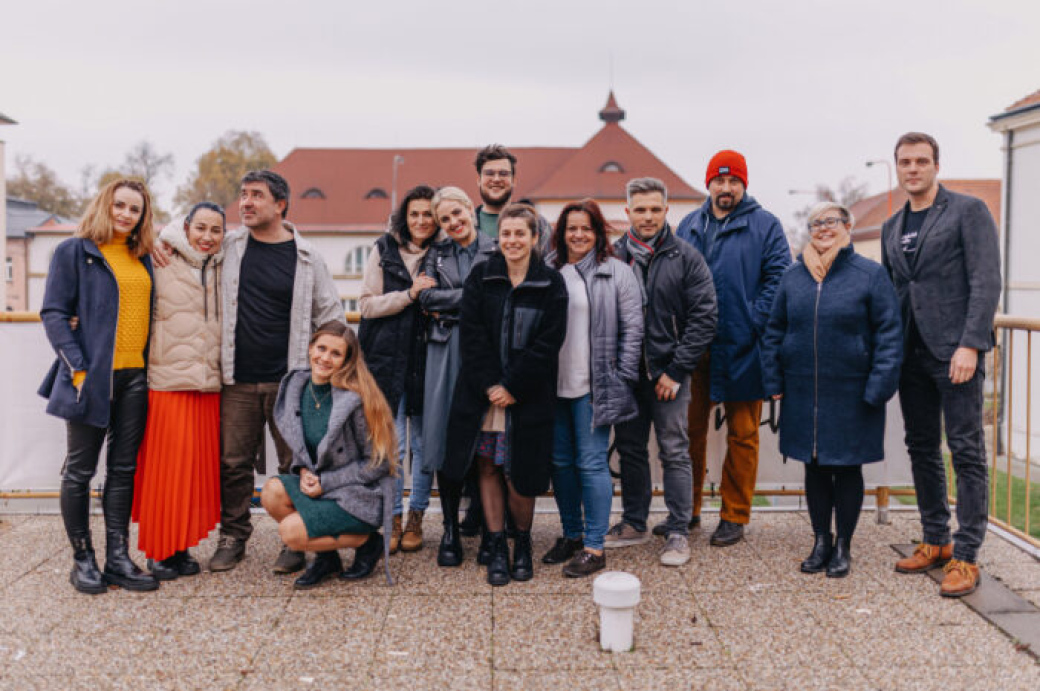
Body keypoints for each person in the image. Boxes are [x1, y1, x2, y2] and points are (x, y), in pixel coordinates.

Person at [180, 170, 345, 575]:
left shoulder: (307, 257)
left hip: (291, 381)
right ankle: (234, 535)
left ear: (280, 205)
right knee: (233, 462)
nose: (246, 203)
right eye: (243, 195)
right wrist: (167, 248)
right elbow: (180, 236)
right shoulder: (231, 245)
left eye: (257, 195)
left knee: (294, 464)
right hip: (236, 377)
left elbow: (332, 316)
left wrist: (328, 372)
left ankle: (293, 536)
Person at [883, 132, 1001, 597]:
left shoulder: (968, 212)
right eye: (905, 162)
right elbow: (896, 290)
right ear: (897, 167)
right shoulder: (893, 226)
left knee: (967, 452)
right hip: (911, 355)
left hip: (956, 354)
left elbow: (986, 280)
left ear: (936, 165)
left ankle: (967, 555)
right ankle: (937, 539)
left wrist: (971, 344)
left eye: (921, 161)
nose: (912, 168)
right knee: (921, 447)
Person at [760, 202, 902, 578]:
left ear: (847, 227)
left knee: (847, 467)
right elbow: (775, 330)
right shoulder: (793, 277)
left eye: (832, 222)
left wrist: (879, 387)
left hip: (853, 391)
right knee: (816, 466)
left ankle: (844, 546)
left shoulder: (869, 275)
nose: (824, 228)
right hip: (803, 389)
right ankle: (821, 539)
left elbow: (889, 334)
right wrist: (773, 380)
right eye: (816, 223)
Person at [39, 178, 159, 593]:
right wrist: (79, 368)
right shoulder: (75, 252)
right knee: (79, 471)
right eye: (119, 205)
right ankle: (83, 559)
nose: (126, 215)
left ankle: (119, 559)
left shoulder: (141, 256)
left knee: (123, 469)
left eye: (135, 210)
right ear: (104, 205)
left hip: (134, 378)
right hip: (88, 378)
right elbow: (54, 313)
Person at [442, 203, 568, 586]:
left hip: (527, 395)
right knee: (487, 466)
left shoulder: (551, 282)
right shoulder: (483, 276)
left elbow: (549, 342)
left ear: (534, 238)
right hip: (482, 394)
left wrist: (513, 385)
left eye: (520, 234)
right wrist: (491, 384)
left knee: (521, 472)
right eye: (506, 234)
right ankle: (496, 544)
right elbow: (473, 335)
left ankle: (522, 543)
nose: (512, 241)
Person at [675, 150, 791, 547]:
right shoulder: (689, 225)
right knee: (689, 432)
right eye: (719, 181)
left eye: (733, 181)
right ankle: (685, 511)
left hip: (745, 347)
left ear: (744, 184)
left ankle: (734, 515)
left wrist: (754, 321)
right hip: (696, 347)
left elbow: (778, 278)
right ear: (708, 183)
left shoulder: (766, 225)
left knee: (743, 435)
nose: (726, 188)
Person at [608, 178, 717, 567]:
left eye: (655, 209)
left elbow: (705, 317)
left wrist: (675, 370)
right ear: (628, 213)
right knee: (631, 450)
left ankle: (677, 530)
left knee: (674, 451)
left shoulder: (686, 256)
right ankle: (634, 522)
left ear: (666, 210)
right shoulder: (614, 257)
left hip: (669, 374)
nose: (648, 216)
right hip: (627, 376)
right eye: (640, 209)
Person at [544, 199, 643, 578]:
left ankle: (595, 545)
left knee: (591, 463)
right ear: (562, 232)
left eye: (586, 228)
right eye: (572, 228)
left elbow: (633, 329)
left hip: (594, 385)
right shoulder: (550, 270)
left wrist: (622, 377)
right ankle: (571, 534)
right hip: (553, 386)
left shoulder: (615, 272)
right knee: (561, 464)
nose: (579, 235)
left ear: (598, 232)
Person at [261, 322, 397, 589]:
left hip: (357, 494)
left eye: (336, 353)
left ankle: (369, 542)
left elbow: (379, 463)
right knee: (271, 492)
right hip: (322, 487)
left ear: (346, 360)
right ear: (310, 347)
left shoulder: (357, 399)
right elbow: (303, 448)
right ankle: (327, 559)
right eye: (321, 348)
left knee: (290, 532)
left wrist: (327, 482)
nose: (324, 358)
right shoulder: (296, 387)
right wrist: (303, 472)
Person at [132, 203, 226, 579]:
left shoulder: (223, 265)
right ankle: (158, 549)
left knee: (193, 473)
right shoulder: (158, 259)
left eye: (216, 230)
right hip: (168, 382)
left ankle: (181, 545)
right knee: (165, 471)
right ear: (184, 228)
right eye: (200, 227)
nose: (207, 237)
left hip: (208, 384)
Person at [358, 185, 441, 554]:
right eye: (415, 214)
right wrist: (409, 295)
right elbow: (366, 306)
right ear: (404, 218)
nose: (422, 221)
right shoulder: (383, 248)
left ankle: (417, 516)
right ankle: (391, 516)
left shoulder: (443, 252)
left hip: (428, 360)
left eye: (428, 214)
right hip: (385, 360)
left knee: (424, 446)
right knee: (393, 445)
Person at [418, 186, 497, 567]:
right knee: (444, 435)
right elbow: (425, 300)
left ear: (470, 209)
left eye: (457, 213)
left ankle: (484, 526)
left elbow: (499, 297)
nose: (453, 223)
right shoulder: (436, 254)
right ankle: (449, 529)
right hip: (444, 350)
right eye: (444, 219)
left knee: (486, 435)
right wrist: (473, 298)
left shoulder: (495, 248)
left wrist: (457, 301)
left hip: (486, 349)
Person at [473, 144, 551, 251]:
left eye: (503, 173)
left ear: (514, 181)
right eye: (489, 173)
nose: (496, 179)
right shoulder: (465, 226)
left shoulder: (538, 224)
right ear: (479, 180)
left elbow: (551, 263)